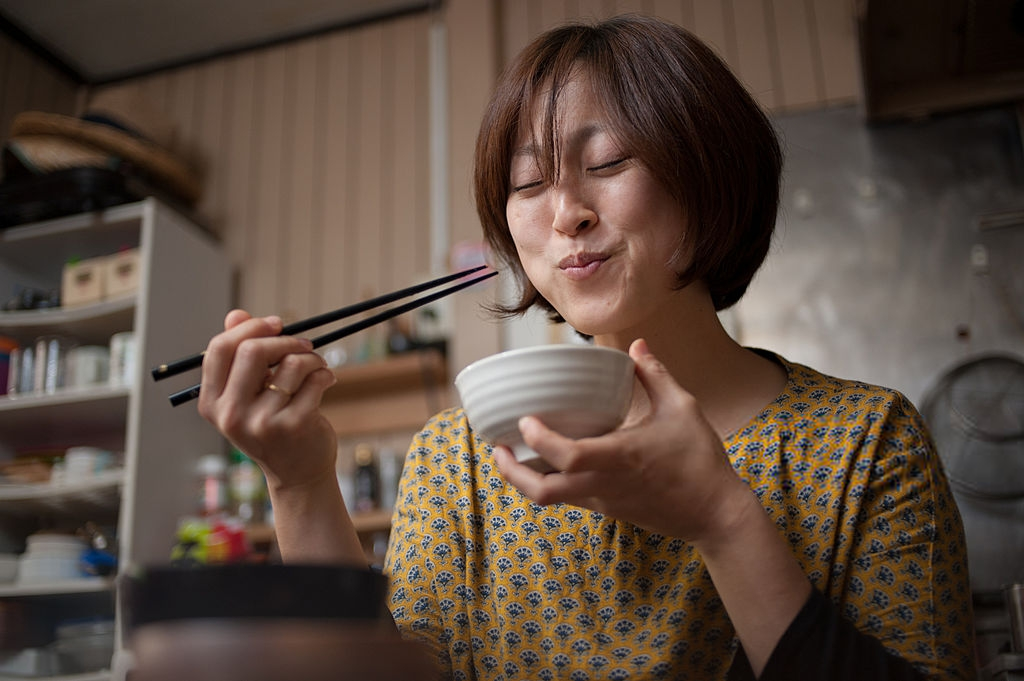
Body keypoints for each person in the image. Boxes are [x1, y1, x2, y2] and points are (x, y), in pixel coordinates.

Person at [197, 14, 975, 681]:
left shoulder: (866, 442)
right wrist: (298, 481)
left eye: (606, 164)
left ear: (710, 174)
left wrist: (723, 518)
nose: (565, 211)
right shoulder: (458, 458)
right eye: (529, 185)